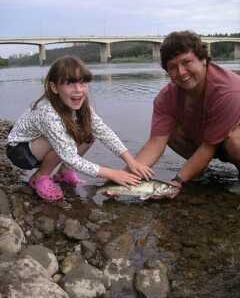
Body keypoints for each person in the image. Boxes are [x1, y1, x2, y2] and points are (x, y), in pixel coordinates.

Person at [6, 55, 153, 201]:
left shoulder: (82, 106)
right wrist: (112, 173)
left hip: (43, 147)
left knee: (89, 132)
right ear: (54, 87)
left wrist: (131, 161)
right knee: (63, 138)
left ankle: (64, 172)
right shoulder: (47, 112)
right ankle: (40, 177)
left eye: (83, 83)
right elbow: (69, 155)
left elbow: (104, 132)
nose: (78, 90)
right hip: (21, 151)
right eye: (70, 84)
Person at [135, 30, 240, 198]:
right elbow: (155, 143)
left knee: (236, 140)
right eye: (173, 67)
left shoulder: (228, 91)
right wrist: (123, 179)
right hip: (210, 140)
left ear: (203, 60)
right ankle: (199, 170)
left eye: (186, 62)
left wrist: (178, 180)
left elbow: (208, 147)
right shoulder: (165, 98)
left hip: (227, 141)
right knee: (171, 131)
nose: (181, 72)